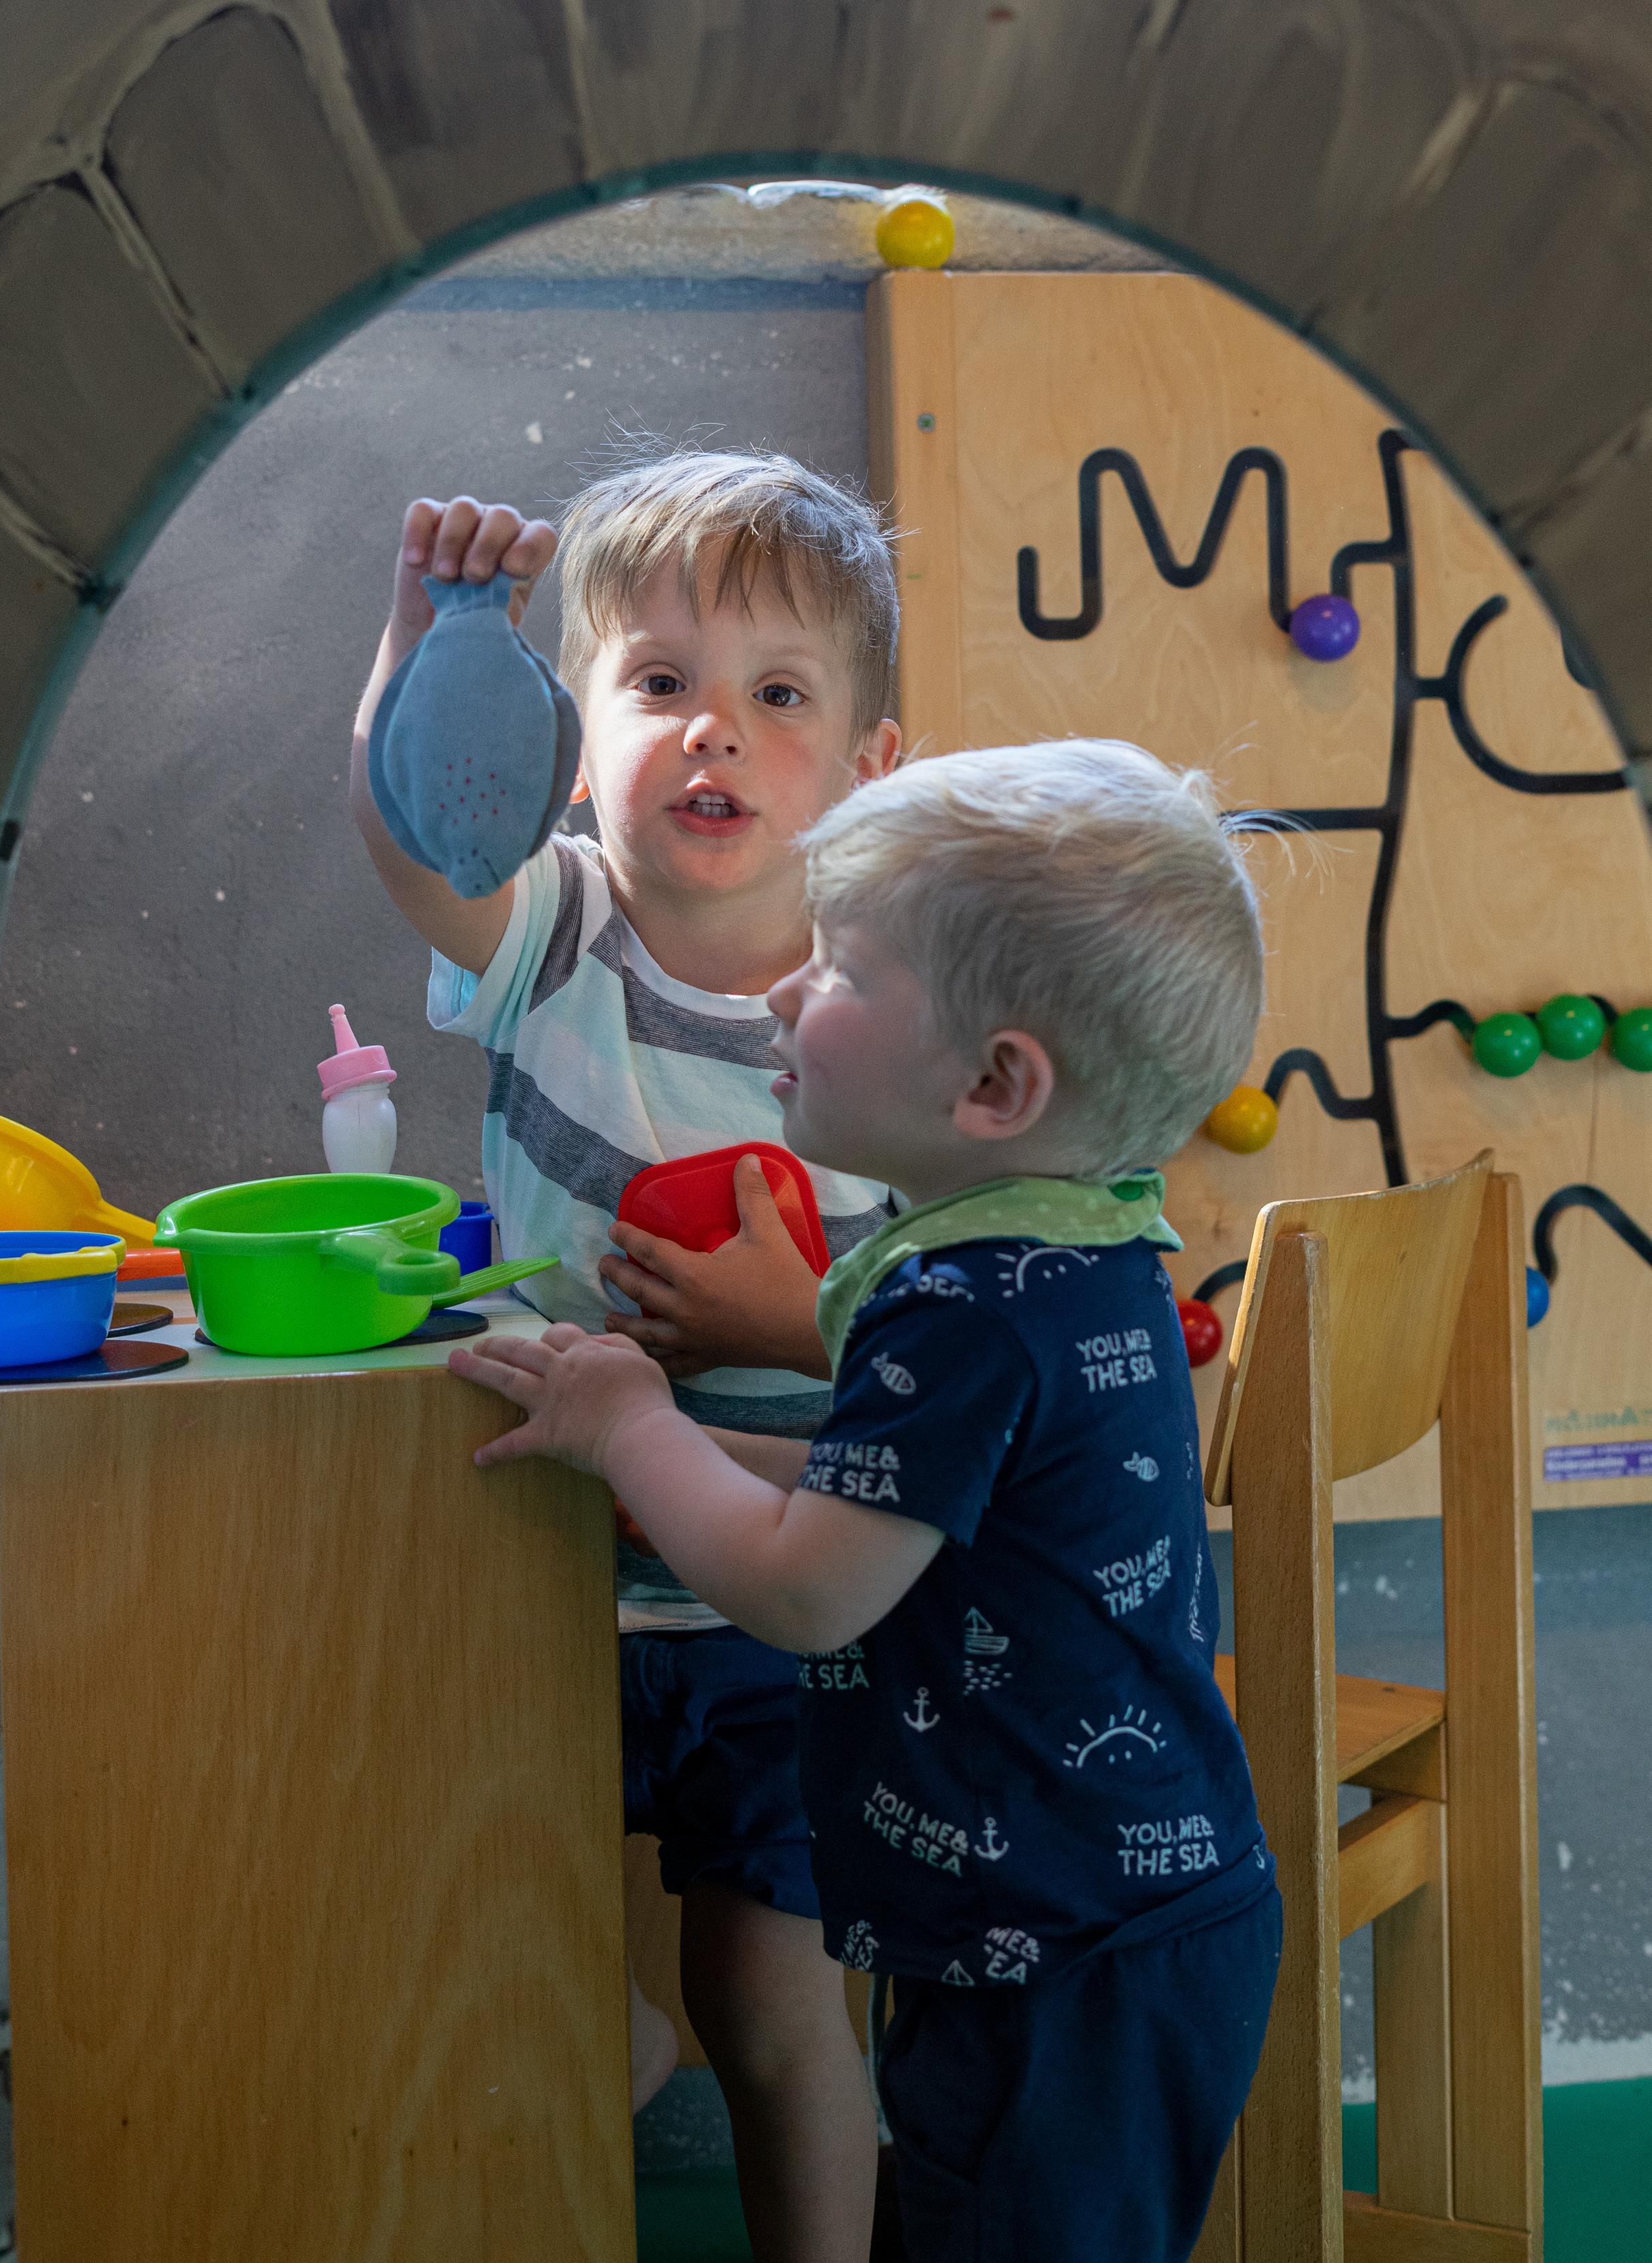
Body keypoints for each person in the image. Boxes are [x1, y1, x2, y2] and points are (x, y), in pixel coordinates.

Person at [447, 740, 1285, 2263]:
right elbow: (903, 1503)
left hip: (1060, 1946)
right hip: (1086, 1910)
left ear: (990, 1083)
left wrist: (639, 1425)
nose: (777, 994)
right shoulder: (1071, 1249)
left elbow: (803, 1587)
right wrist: (669, 1455)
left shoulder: (958, 1302)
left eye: (833, 968)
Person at [351, 452, 902, 2263]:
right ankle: (610, 2027)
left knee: (768, 2003)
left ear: (867, 764)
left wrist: (786, 1323)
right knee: (485, 1932)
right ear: (576, 745)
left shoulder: (891, 1011)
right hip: (546, 1565)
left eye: (773, 695)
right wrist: (430, 643)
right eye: (658, 688)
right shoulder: (557, 926)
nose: (711, 736)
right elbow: (427, 842)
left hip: (779, 1581)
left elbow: (955, 1329)